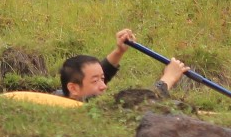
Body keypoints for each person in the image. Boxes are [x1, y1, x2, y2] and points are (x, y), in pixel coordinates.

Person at [59, 27, 190, 101]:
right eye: (95, 81)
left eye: (103, 79)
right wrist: (168, 78)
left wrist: (119, 51)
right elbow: (144, 107)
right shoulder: (90, 111)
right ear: (73, 88)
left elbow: (91, 75)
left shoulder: (65, 95)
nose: (104, 86)